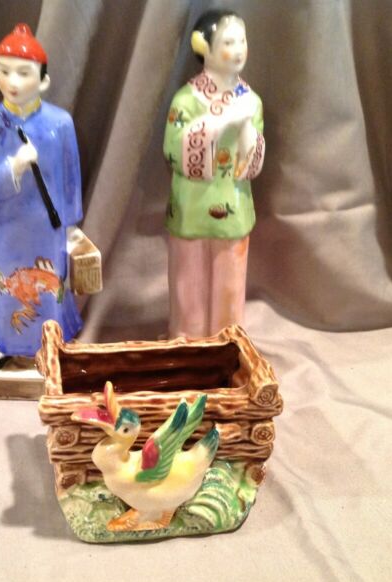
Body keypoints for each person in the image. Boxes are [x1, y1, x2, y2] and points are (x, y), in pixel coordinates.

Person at [0, 24, 83, 371]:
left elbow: (71, 180)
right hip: (7, 229)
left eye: (23, 72)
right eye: (4, 72)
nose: (12, 81)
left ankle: (51, 343)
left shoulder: (59, 124)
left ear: (43, 81)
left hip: (48, 228)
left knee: (50, 284)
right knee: (8, 284)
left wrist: (72, 225)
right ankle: (6, 343)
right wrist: (12, 167)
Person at [164, 10, 265, 338]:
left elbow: (250, 166)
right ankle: (188, 348)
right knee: (188, 287)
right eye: (228, 43)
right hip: (191, 208)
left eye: (242, 41)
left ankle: (225, 348)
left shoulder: (251, 101)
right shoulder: (187, 100)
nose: (238, 50)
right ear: (203, 47)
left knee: (230, 287)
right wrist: (221, 122)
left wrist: (245, 125)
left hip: (233, 207)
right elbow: (174, 151)